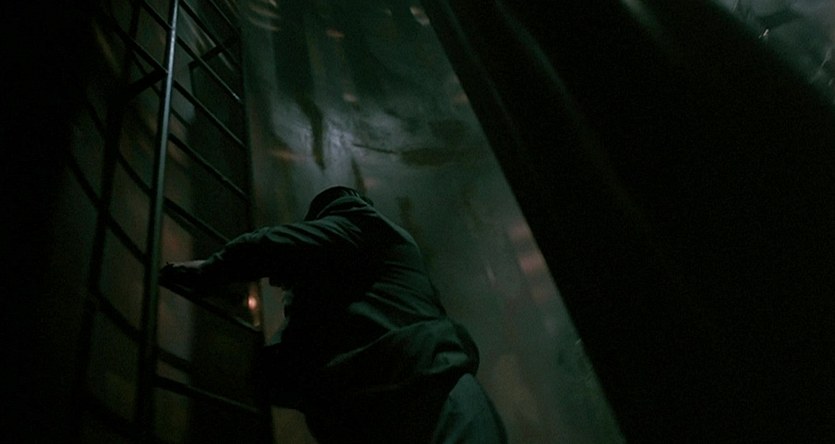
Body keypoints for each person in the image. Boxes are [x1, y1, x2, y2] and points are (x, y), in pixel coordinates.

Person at [160, 186, 507, 443]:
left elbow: (272, 244)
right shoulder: (370, 264)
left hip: (426, 396)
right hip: (424, 395)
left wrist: (211, 271)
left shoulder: (359, 223)